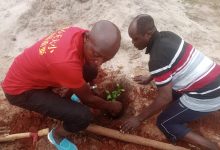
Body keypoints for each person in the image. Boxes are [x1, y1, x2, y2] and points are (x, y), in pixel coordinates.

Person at [1, 20, 122, 150]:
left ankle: (67, 100)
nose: (100, 62)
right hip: (21, 91)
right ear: (86, 37)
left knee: (91, 69)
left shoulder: (77, 33)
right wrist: (111, 106)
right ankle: (56, 136)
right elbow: (89, 100)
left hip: (34, 73)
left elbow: (90, 69)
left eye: (106, 59)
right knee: (83, 116)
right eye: (97, 55)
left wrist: (91, 84)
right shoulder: (65, 62)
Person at [120, 14, 220, 150]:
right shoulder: (167, 36)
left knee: (164, 122)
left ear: (148, 35)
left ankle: (211, 146)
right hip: (215, 80)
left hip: (208, 95)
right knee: (170, 89)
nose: (133, 43)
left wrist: (138, 119)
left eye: (135, 39)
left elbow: (165, 98)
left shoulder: (156, 59)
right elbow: (168, 63)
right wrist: (151, 77)